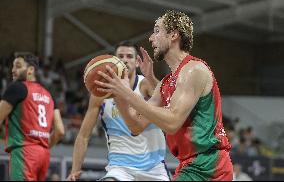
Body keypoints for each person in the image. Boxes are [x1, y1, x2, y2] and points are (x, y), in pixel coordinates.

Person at [95, 10, 233, 181]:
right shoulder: (166, 83)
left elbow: (173, 121)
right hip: (191, 165)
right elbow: (136, 126)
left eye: (157, 31)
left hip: (208, 165)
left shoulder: (194, 70)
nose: (151, 38)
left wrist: (128, 94)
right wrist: (119, 94)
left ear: (174, 35)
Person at [67, 41, 170, 181]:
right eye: (120, 56)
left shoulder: (145, 85)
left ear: (137, 62)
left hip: (153, 168)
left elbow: (166, 97)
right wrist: (75, 170)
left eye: (129, 56)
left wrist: (151, 77)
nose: (125, 59)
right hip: (120, 167)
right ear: (113, 60)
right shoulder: (100, 94)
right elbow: (83, 136)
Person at [0, 53, 65, 181]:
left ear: (30, 70)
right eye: (13, 66)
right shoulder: (49, 94)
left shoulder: (17, 87)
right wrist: (41, 146)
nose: (13, 70)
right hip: (43, 154)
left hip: (24, 152)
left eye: (18, 66)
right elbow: (60, 131)